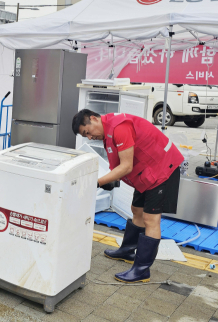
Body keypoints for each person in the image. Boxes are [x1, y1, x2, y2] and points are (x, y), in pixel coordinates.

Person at [72, 109, 183, 283]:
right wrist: (109, 179)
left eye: (88, 132)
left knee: (150, 219)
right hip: (145, 172)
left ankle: (141, 270)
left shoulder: (119, 127)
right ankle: (128, 250)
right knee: (136, 210)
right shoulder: (107, 131)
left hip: (162, 169)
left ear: (93, 119)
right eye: (86, 136)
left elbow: (126, 167)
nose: (90, 137)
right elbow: (118, 164)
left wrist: (97, 182)